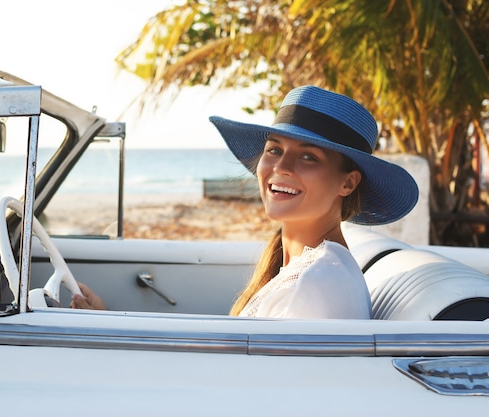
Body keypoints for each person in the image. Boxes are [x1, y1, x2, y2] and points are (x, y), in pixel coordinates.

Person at [72, 85, 419, 319]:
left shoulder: (315, 284)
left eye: (309, 157)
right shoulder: (300, 266)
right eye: (274, 150)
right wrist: (108, 318)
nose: (281, 167)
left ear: (348, 182)